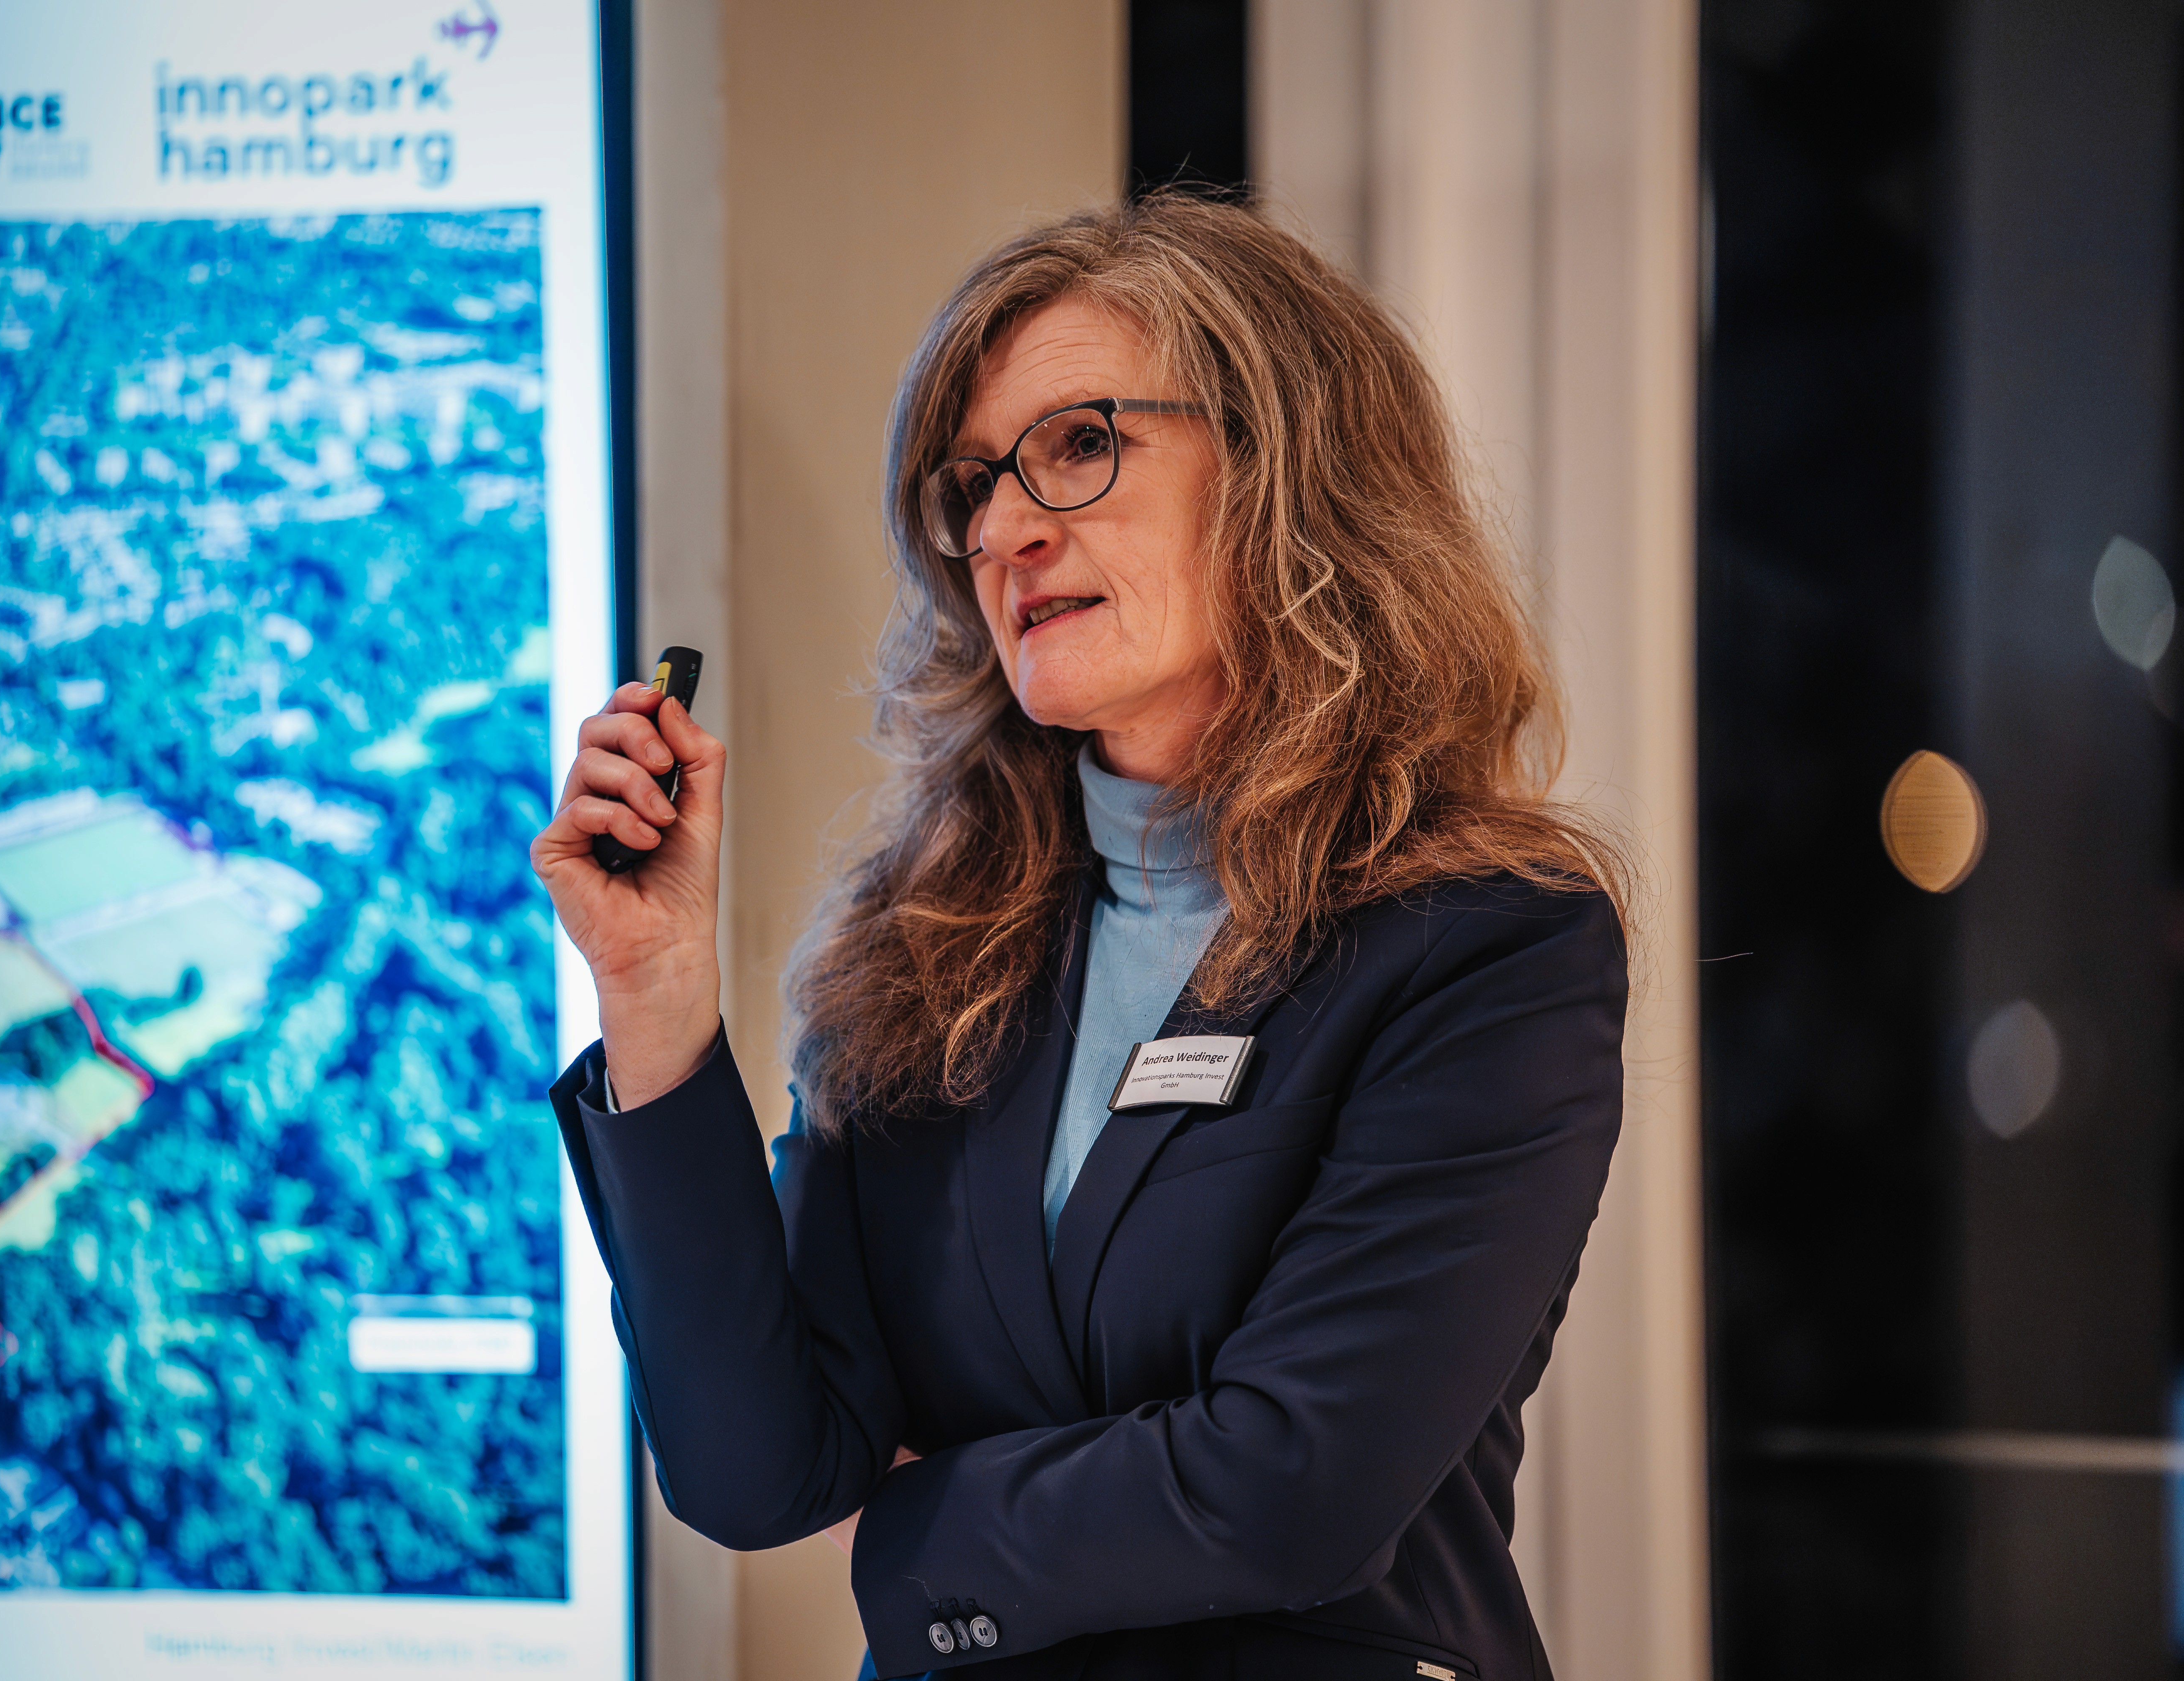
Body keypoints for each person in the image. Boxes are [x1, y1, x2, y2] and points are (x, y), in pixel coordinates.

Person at [531, 194, 1629, 1681]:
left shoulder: (1489, 946)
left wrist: (922, 1534)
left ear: (1285, 464)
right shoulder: (925, 949)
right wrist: (653, 995)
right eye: (974, 485)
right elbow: (758, 1469)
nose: (1004, 530)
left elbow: (1291, 1492)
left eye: (1079, 444)